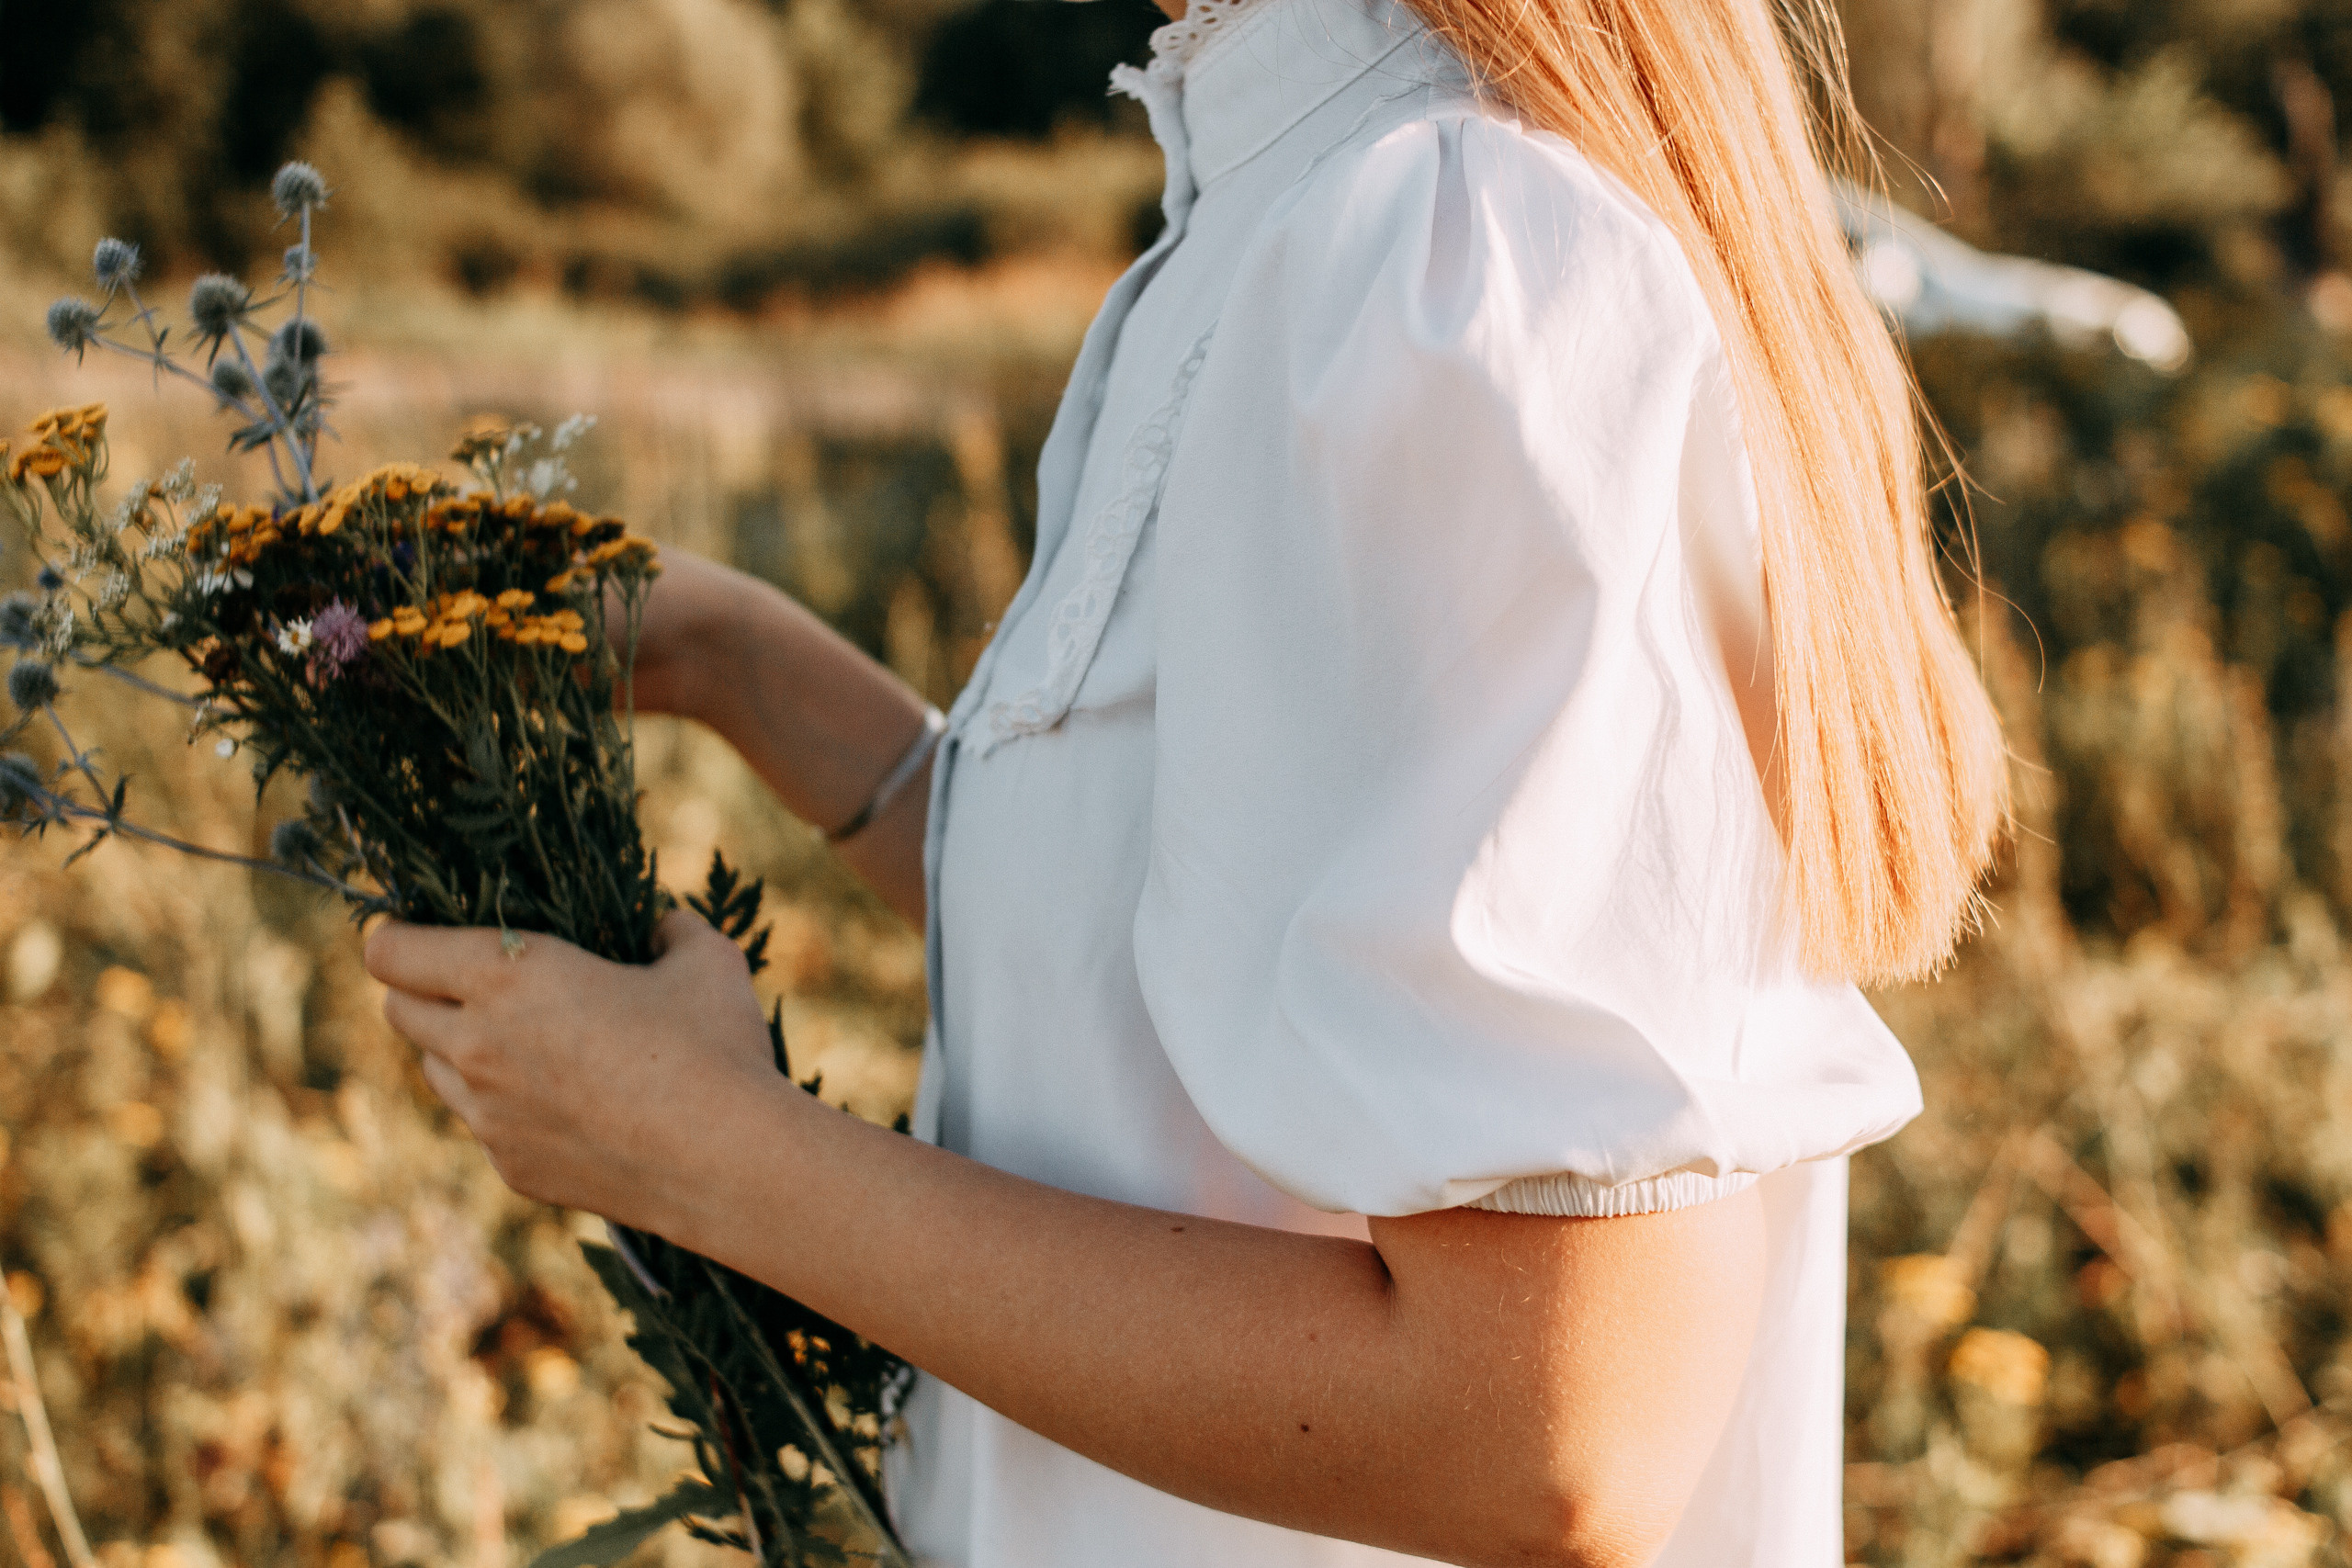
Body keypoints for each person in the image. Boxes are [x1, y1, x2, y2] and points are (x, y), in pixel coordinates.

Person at [363, 0, 2009, 1560]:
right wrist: (738, 664)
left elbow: (1554, 1439)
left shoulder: (1437, 252)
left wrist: (697, 1149)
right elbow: (1195, 962)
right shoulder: (1278, 195)